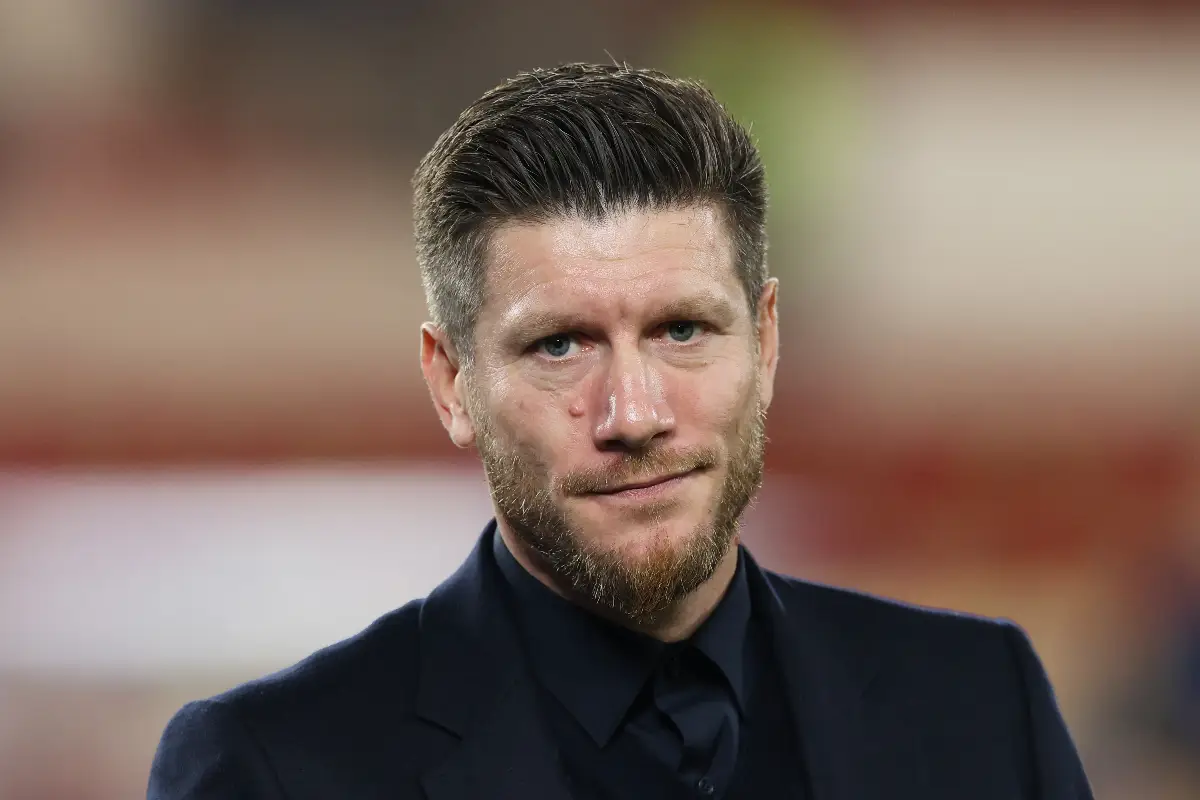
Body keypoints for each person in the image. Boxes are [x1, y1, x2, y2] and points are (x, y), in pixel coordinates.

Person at [148, 63, 1094, 799]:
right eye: (561, 346)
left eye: (683, 330)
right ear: (451, 384)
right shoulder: (273, 769)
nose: (633, 415)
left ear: (765, 341)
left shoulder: (979, 701)